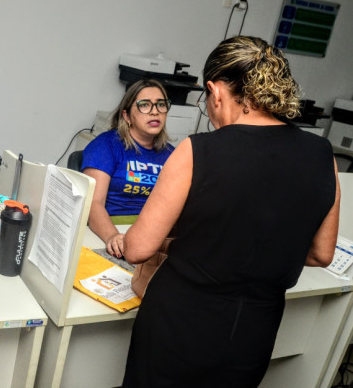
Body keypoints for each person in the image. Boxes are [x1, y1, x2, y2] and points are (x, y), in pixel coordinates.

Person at [121, 36, 340, 387]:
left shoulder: (199, 150)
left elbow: (137, 249)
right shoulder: (322, 154)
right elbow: (321, 253)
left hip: (179, 326)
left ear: (215, 91)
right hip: (254, 332)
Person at [82, 79, 174, 258]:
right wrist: (112, 236)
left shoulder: (173, 155)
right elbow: (93, 204)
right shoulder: (106, 145)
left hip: (154, 236)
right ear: (127, 116)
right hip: (110, 231)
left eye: (161, 104)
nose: (155, 111)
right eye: (144, 105)